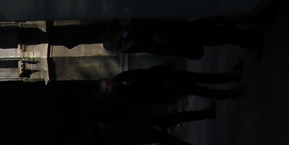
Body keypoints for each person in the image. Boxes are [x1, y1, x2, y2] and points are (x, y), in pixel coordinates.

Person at [101, 63, 243, 107]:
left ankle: (230, 76)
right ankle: (230, 94)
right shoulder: (123, 96)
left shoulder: (122, 77)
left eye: (107, 84)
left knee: (200, 78)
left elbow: (144, 72)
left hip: (166, 77)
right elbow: (146, 99)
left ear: (108, 79)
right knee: (199, 89)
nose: (110, 87)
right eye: (107, 88)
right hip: (166, 89)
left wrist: (163, 69)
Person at [102, 19, 259, 59]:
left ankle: (244, 37)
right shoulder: (126, 37)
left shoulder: (128, 33)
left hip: (171, 33)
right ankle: (243, 38)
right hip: (171, 37)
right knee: (210, 37)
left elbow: (144, 38)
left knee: (210, 34)